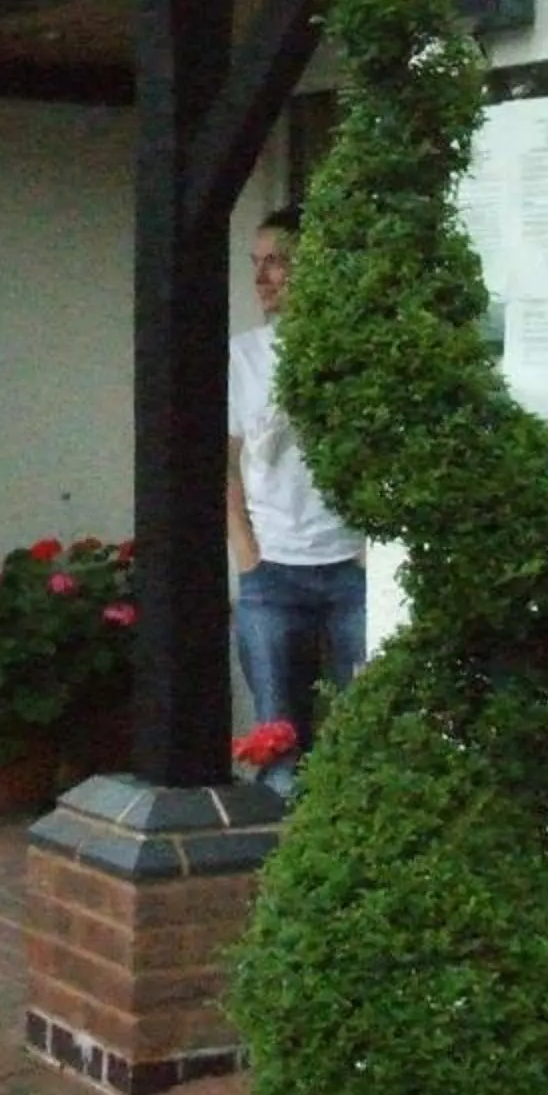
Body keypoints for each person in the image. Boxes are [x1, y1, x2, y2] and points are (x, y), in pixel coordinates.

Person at [226, 205, 367, 759]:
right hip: (273, 574)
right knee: (278, 745)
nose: (262, 278)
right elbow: (225, 460)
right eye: (256, 263)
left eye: (277, 262)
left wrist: (369, 551)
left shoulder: (355, 353)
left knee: (364, 739)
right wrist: (247, 553)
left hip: (352, 568)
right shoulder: (243, 358)